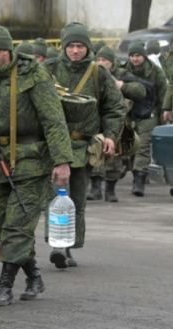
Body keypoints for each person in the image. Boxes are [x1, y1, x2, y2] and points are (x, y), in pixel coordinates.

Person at [0, 25, 73, 307]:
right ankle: (34, 276)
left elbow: (53, 119)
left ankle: (4, 286)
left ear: (5, 51)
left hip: (32, 161)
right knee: (6, 224)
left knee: (16, 225)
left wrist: (62, 161)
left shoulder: (32, 75)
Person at [41, 22, 124, 268]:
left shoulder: (98, 73)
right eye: (71, 46)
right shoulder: (48, 69)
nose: (75, 51)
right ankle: (57, 243)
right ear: (63, 46)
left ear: (87, 47)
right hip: (53, 146)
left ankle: (67, 246)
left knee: (76, 199)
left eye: (80, 46)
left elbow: (114, 107)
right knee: (54, 197)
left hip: (82, 147)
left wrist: (109, 135)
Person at [88, 46, 147, 202]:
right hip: (95, 120)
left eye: (104, 60)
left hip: (117, 121)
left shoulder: (122, 74)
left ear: (112, 63)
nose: (101, 62)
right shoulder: (91, 74)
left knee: (114, 157)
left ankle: (110, 190)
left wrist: (122, 85)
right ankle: (95, 189)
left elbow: (140, 90)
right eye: (98, 59)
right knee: (95, 153)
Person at [122, 40, 167, 197]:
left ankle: (139, 182)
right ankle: (137, 175)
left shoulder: (155, 71)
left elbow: (163, 92)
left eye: (138, 55)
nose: (135, 59)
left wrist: (164, 112)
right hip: (129, 114)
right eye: (132, 56)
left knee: (143, 146)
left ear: (144, 55)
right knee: (130, 147)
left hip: (149, 115)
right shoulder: (123, 71)